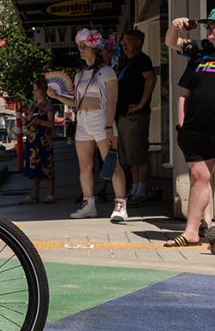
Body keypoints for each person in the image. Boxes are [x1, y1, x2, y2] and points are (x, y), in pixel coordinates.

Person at [47, 29, 128, 221]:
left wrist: (109, 126)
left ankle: (120, 205)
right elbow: (78, 102)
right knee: (84, 166)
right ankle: (88, 204)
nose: (81, 50)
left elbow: (112, 100)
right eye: (79, 47)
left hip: (102, 120)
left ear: (95, 48)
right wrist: (57, 96)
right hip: (83, 121)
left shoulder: (106, 71)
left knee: (112, 164)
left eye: (84, 47)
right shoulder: (79, 74)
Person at [161, 13, 215, 252]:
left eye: (213, 25)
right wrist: (174, 27)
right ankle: (191, 232)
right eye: (207, 24)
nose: (208, 28)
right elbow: (170, 43)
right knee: (199, 178)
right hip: (196, 130)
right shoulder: (199, 50)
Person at [115, 29, 157, 204]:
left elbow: (151, 79)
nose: (124, 46)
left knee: (138, 152)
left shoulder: (142, 60)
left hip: (136, 115)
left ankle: (141, 189)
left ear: (138, 43)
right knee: (130, 155)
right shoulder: (128, 62)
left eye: (127, 42)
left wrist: (141, 103)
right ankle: (135, 188)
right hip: (124, 114)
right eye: (123, 42)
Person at [22, 76, 56, 204]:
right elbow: (28, 121)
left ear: (42, 90)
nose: (33, 92)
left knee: (47, 165)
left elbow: (51, 123)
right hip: (32, 140)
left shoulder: (48, 106)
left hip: (44, 141)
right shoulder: (32, 106)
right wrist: (25, 121)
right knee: (34, 166)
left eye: (35, 89)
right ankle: (35, 194)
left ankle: (50, 194)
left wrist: (40, 121)